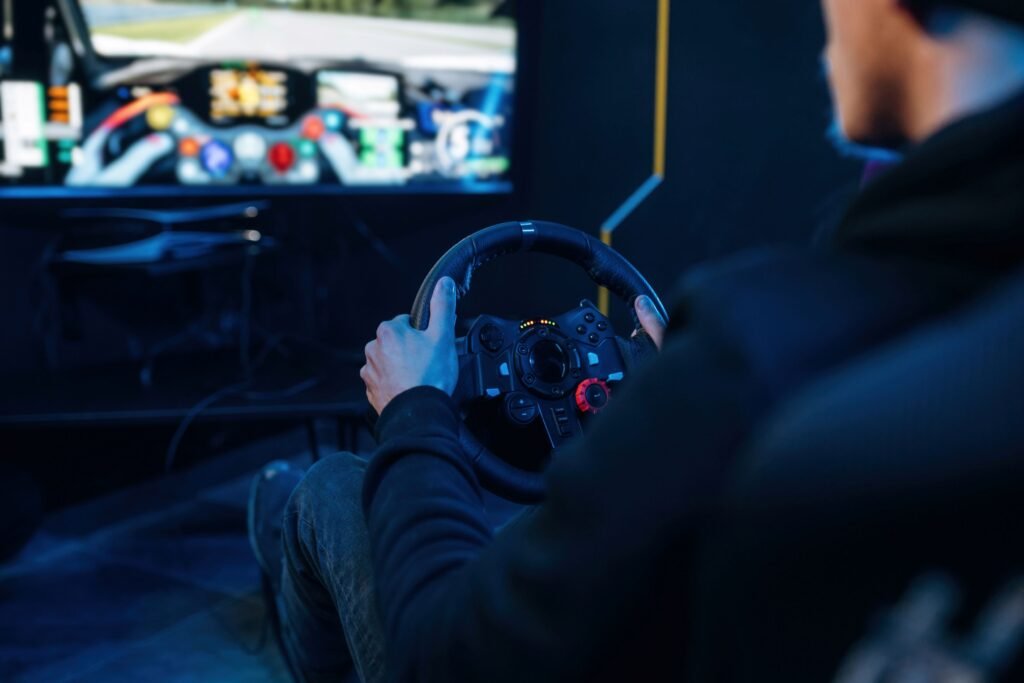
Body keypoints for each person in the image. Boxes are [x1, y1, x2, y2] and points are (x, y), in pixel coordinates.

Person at [249, 0, 1024, 680]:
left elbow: (448, 660)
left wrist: (416, 409)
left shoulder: (749, 361)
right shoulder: (962, 320)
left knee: (326, 487)